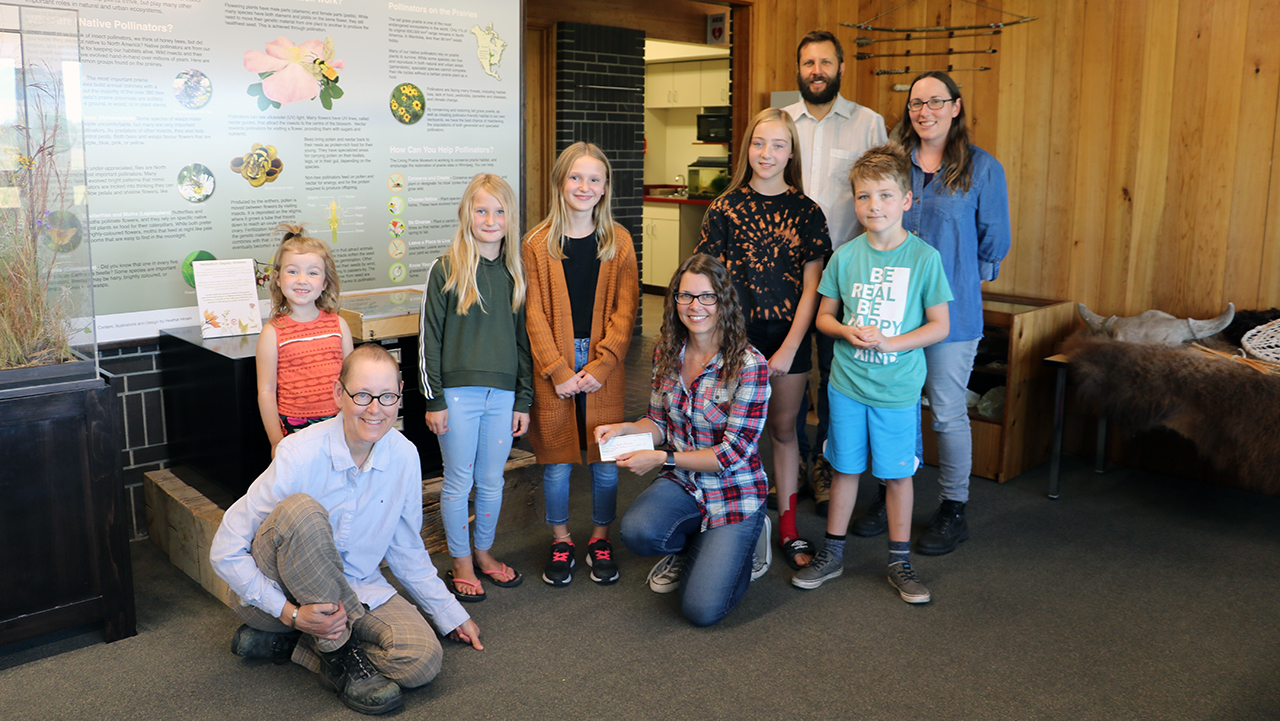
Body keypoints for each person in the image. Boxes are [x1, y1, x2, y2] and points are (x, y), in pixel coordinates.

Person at [211, 344, 484, 716]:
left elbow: (406, 549)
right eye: (362, 395)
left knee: (421, 661)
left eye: (387, 396)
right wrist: (289, 613)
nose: (375, 409)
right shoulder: (299, 452)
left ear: (400, 394)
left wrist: (450, 613)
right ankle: (337, 653)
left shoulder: (404, 455)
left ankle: (294, 646)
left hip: (356, 589)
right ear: (338, 394)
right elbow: (224, 549)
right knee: (304, 511)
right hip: (277, 596)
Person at [854, 71, 1011, 554]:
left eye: (936, 102)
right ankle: (889, 496)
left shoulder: (983, 168)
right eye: (917, 103)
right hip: (890, 315)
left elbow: (994, 242)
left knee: (945, 413)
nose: (925, 111)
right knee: (894, 410)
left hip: (951, 318)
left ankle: (953, 508)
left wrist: (955, 281)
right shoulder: (893, 163)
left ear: (956, 107)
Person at [792, 145, 952, 603]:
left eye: (884, 195)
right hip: (846, 386)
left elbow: (939, 325)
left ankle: (899, 562)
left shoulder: (924, 259)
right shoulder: (844, 256)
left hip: (897, 390)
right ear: (855, 201)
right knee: (843, 469)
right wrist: (846, 330)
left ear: (906, 199)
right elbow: (824, 318)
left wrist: (892, 343)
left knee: (897, 476)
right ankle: (833, 554)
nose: (874, 206)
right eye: (864, 197)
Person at [604, 254, 772, 627]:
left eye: (706, 297)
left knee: (701, 610)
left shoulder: (749, 365)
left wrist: (662, 460)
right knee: (637, 532)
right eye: (685, 296)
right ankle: (697, 545)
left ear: (723, 301)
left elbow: (732, 454)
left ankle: (749, 542)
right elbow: (658, 421)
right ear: (674, 300)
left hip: (734, 492)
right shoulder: (668, 352)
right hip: (685, 483)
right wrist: (625, 430)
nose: (695, 307)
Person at [695, 107, 829, 570]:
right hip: (734, 339)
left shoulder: (808, 212)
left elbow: (813, 287)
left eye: (777, 145)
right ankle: (730, 520)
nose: (766, 154)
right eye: (758, 143)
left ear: (791, 152)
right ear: (747, 148)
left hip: (787, 337)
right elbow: (707, 281)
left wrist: (791, 346)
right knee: (730, 434)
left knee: (784, 430)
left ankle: (788, 524)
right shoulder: (725, 207)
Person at [782, 30, 888, 515]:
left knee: (833, 377)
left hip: (846, 276)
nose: (816, 70)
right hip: (783, 277)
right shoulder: (783, 123)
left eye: (825, 62)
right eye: (808, 63)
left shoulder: (869, 124)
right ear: (799, 68)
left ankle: (824, 465)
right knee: (788, 372)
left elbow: (883, 193)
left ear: (841, 68)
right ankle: (794, 463)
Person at [523, 142, 638, 587]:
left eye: (594, 179)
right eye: (575, 177)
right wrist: (558, 370)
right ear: (560, 182)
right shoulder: (536, 243)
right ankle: (561, 539)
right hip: (554, 360)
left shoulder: (619, 241)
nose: (584, 186)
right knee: (556, 460)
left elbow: (626, 313)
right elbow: (532, 313)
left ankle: (600, 537)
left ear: (606, 187)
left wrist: (602, 364)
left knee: (605, 458)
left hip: (601, 362)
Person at [419, 173, 532, 601]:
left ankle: (483, 554)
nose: (490, 219)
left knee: (491, 480)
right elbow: (430, 340)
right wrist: (434, 400)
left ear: (509, 218)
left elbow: (524, 344)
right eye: (481, 209)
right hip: (458, 398)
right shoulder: (446, 268)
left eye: (499, 211)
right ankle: (460, 561)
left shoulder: (514, 271)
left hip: (502, 398)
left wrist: (524, 398)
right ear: (466, 213)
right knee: (457, 482)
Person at [255, 223, 354, 457]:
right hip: (294, 428)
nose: (302, 280)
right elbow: (266, 391)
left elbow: (353, 380)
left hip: (339, 423)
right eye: (293, 271)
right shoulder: (272, 333)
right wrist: (276, 441)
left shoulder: (339, 326)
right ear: (277, 278)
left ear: (325, 282)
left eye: (312, 272)